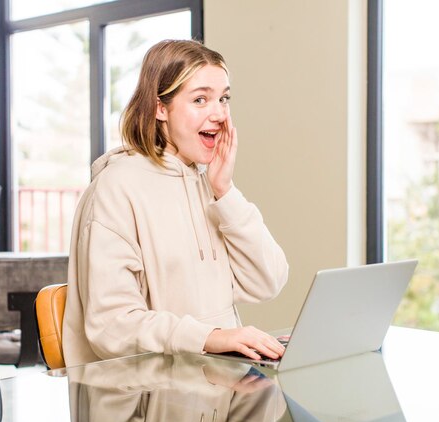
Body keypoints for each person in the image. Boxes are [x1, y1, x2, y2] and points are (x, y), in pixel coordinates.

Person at [62, 39, 289, 368]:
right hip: (145, 401)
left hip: (216, 386)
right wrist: (208, 338)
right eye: (200, 99)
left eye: (223, 98)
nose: (220, 115)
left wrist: (225, 192)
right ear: (160, 108)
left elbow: (268, 280)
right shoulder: (116, 188)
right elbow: (111, 326)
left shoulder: (207, 182)